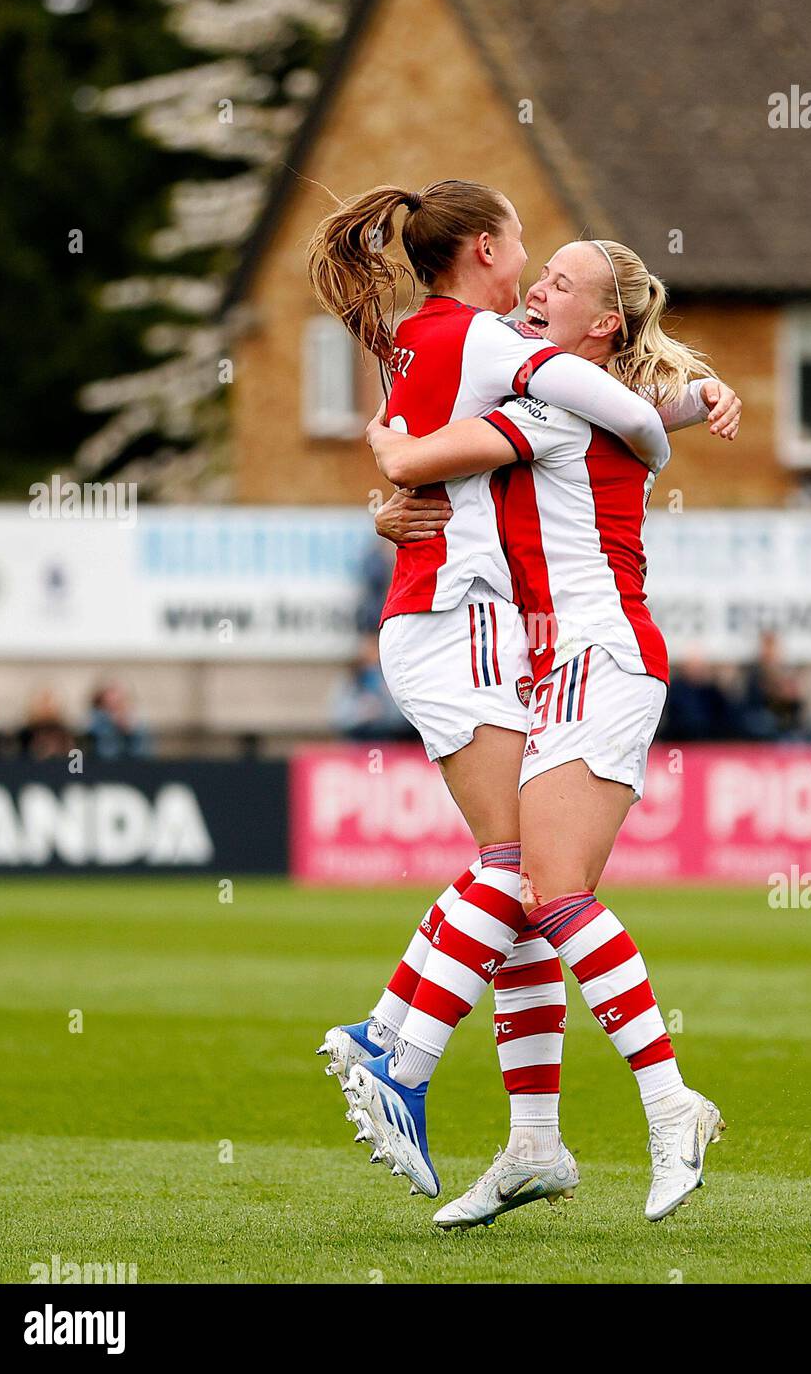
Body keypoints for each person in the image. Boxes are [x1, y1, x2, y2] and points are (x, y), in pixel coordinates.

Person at [307, 180, 740, 1218]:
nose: (534, 283)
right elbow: (632, 410)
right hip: (560, 661)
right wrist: (692, 395)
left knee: (538, 887)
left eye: (559, 281)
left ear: (596, 321)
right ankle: (535, 1142)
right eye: (532, 267)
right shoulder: (532, 378)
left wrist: (389, 468)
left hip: (596, 656)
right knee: (532, 899)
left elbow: (414, 447)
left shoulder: (540, 405)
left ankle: (651, 1098)